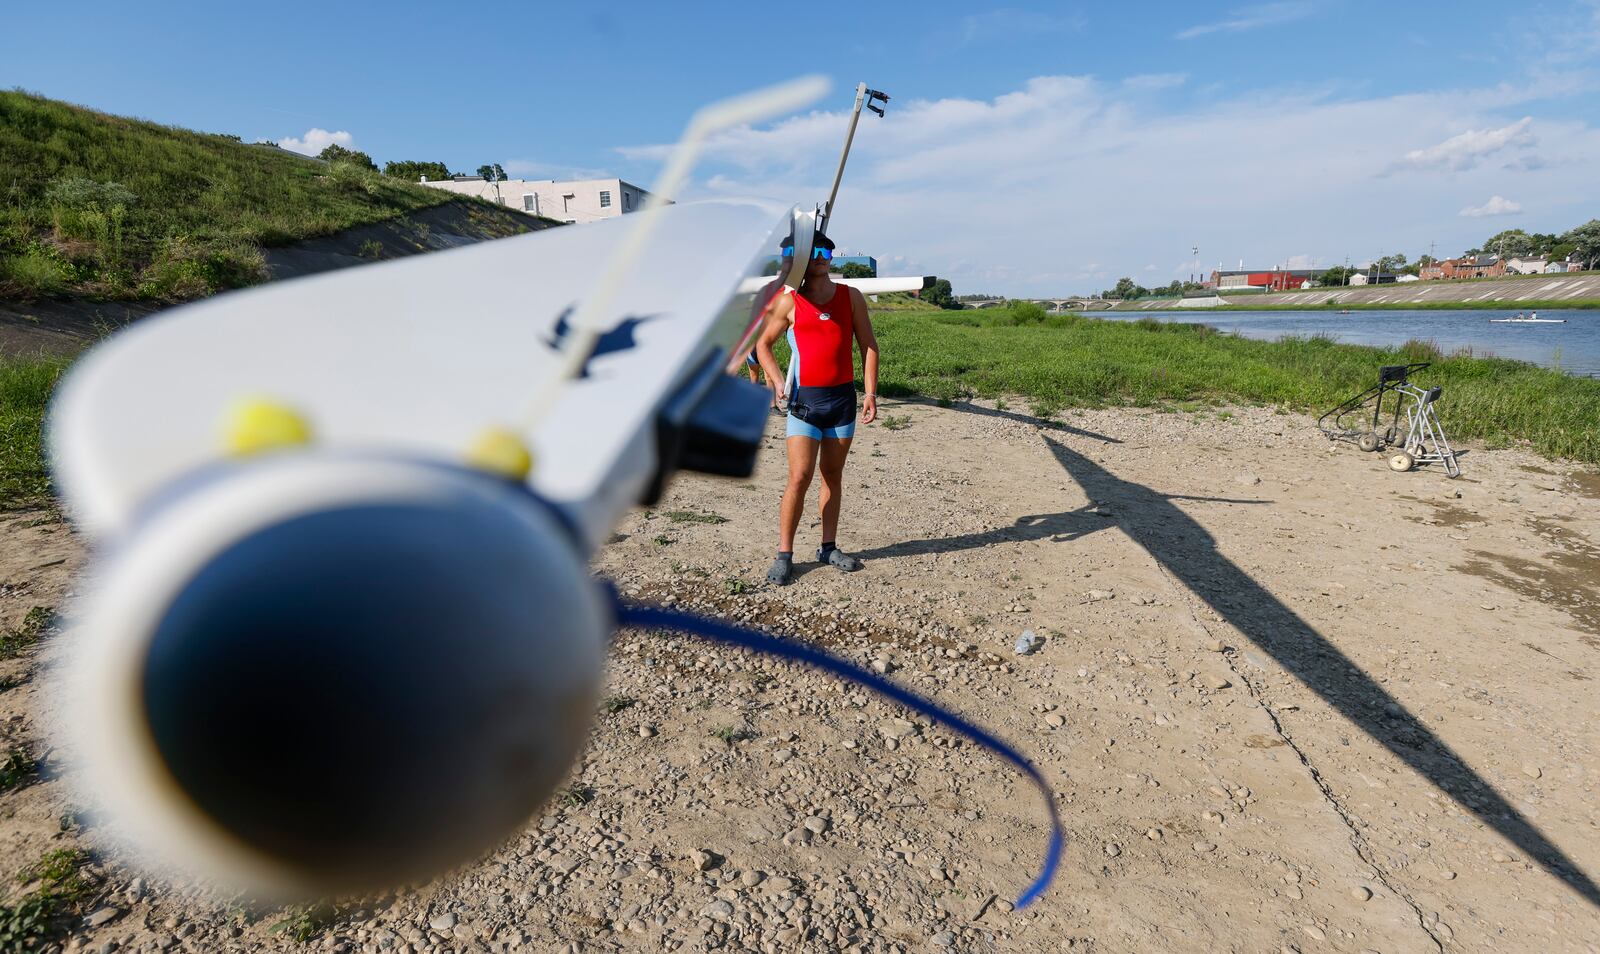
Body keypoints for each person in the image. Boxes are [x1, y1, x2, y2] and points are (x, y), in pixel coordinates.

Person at [753, 232, 879, 585]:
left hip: (842, 402)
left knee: (832, 476)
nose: (822, 257)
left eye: (827, 251)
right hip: (804, 403)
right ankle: (784, 554)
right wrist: (777, 380)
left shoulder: (850, 297)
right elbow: (763, 344)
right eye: (814, 251)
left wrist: (870, 393)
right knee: (799, 477)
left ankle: (828, 547)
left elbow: (868, 345)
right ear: (799, 259)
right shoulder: (789, 301)